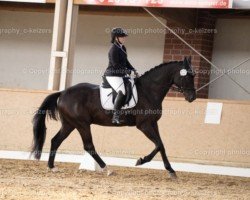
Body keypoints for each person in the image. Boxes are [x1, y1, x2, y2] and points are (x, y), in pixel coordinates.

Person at [104, 27, 139, 124]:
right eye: (122, 37)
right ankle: (115, 116)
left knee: (132, 84)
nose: (124, 38)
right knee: (122, 91)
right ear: (116, 38)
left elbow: (126, 62)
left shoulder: (122, 47)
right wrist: (128, 72)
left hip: (120, 74)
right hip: (112, 75)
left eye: (124, 37)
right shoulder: (113, 49)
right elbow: (115, 65)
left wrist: (133, 70)